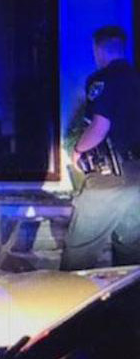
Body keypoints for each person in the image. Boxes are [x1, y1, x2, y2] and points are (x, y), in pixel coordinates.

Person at [61, 25, 140, 271]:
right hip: (137, 177)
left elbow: (100, 126)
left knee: (78, 253)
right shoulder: (136, 78)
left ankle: (71, 295)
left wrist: (78, 151)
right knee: (130, 253)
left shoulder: (102, 80)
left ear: (99, 50)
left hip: (109, 178)